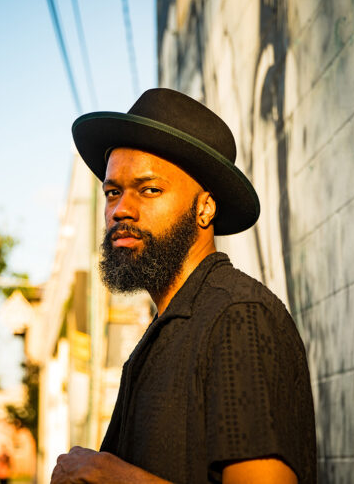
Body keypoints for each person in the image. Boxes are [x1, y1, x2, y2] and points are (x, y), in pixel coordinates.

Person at [51, 88, 316, 483]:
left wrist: (114, 477)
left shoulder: (238, 318)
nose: (121, 208)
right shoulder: (167, 331)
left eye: (149, 189)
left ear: (205, 207)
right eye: (113, 192)